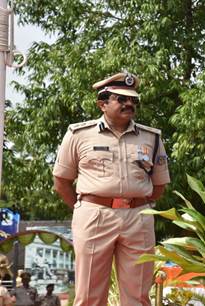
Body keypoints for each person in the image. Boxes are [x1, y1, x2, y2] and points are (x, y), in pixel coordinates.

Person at [52, 72, 171, 306]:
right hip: (95, 215)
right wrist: (84, 207)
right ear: (102, 103)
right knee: (89, 295)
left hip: (138, 217)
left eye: (133, 100)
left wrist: (137, 205)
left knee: (138, 295)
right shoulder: (78, 134)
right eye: (121, 99)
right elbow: (61, 181)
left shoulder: (152, 138)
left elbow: (159, 185)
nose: (129, 104)